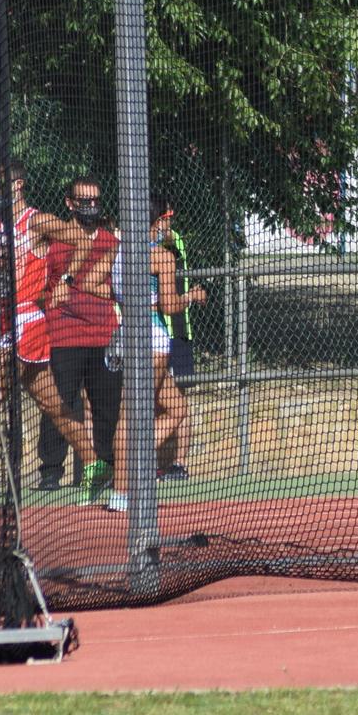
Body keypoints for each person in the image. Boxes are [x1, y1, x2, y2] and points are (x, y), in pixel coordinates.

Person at [0, 161, 105, 493]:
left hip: (26, 320)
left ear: (16, 186)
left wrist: (66, 281)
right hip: (0, 320)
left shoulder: (36, 221)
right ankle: (94, 463)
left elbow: (82, 241)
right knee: (53, 405)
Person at [103, 194, 198, 514]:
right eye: (164, 221)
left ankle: (134, 467)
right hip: (153, 341)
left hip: (129, 337)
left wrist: (146, 302)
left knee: (176, 408)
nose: (167, 227)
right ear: (155, 223)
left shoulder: (118, 252)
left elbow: (103, 287)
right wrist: (192, 296)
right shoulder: (160, 257)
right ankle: (121, 489)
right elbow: (171, 306)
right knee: (131, 416)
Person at [44, 176, 123, 505]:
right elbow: (43, 285)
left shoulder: (110, 242)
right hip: (64, 335)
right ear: (69, 202)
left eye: (95, 200)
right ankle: (50, 471)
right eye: (83, 200)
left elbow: (118, 284)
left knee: (106, 407)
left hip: (103, 335)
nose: (91, 206)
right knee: (61, 403)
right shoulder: (55, 240)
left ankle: (102, 468)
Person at [151, 197, 203, 481]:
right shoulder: (139, 251)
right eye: (163, 217)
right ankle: (151, 462)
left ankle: (178, 463)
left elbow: (168, 236)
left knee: (177, 400)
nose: (167, 223)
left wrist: (157, 225)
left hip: (177, 334)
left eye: (169, 217)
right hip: (152, 335)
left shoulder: (172, 243)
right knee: (155, 401)